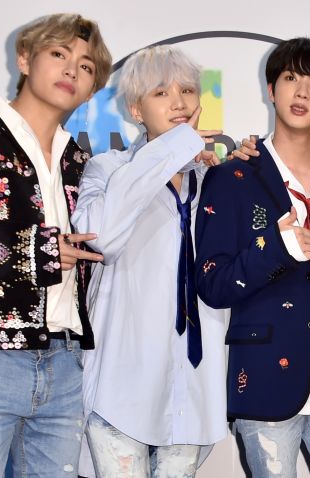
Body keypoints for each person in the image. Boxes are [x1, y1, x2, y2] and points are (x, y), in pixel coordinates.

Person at [195, 37, 310, 477]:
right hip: (264, 376)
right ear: (270, 88)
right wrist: (276, 250)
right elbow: (213, 283)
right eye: (291, 79)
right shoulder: (233, 176)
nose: (301, 93)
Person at [0, 13, 111, 476]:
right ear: (25, 58)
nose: (71, 70)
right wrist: (36, 252)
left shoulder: (84, 162)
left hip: (66, 363)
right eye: (59, 54)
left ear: (91, 89)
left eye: (86, 67)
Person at [71, 45, 226, 477]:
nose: (179, 102)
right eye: (161, 93)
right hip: (122, 385)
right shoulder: (110, 167)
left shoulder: (217, 178)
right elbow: (101, 239)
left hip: (196, 386)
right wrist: (173, 148)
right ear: (136, 110)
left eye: (188, 90)